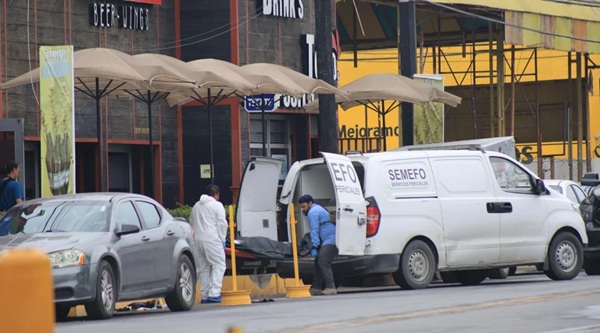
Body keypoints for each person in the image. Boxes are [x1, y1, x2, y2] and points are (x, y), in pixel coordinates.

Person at [190, 184, 228, 304]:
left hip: (197, 240)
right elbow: (222, 224)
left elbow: (191, 222)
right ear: (216, 194)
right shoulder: (217, 205)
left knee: (204, 268)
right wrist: (222, 239)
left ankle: (205, 295)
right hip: (212, 239)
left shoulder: (196, 206)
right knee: (219, 265)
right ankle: (214, 293)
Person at [298, 194, 338, 296]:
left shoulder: (313, 212)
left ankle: (331, 287)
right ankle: (316, 287)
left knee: (323, 260)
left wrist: (314, 246)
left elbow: (314, 231)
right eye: (301, 207)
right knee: (318, 262)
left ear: (310, 203)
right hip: (329, 238)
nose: (303, 209)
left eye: (304, 206)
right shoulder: (317, 209)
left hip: (331, 239)